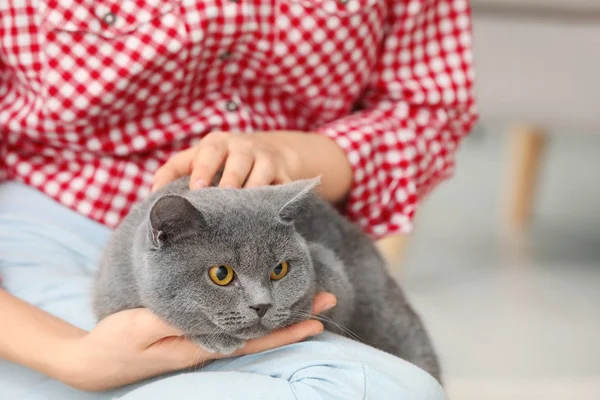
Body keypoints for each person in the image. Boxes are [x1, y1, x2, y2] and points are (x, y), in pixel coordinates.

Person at [0, 0, 476, 398]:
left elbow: (428, 112)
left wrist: (291, 153)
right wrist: (70, 357)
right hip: (48, 229)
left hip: (269, 230)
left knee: (390, 388)